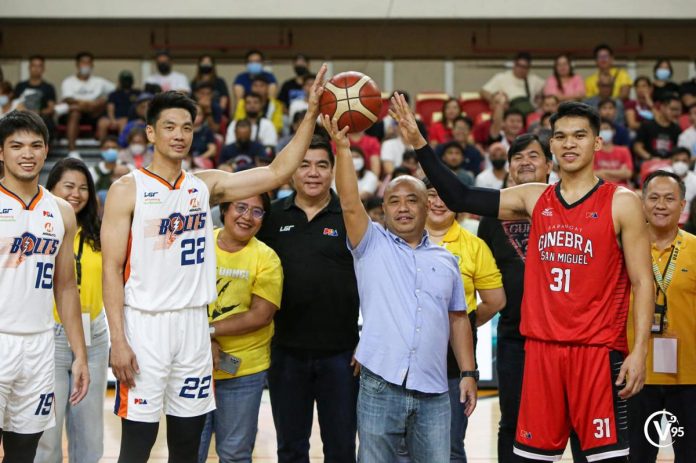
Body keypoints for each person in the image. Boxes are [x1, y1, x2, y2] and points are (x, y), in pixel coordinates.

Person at [394, 95, 654, 462]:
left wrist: (640, 350)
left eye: (579, 136)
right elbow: (460, 195)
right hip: (542, 353)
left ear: (597, 143)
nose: (569, 144)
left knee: (603, 459)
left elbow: (644, 282)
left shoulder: (621, 202)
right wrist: (420, 143)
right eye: (560, 136)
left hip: (597, 354)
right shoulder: (535, 198)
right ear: (551, 145)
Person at [101, 64, 328, 463]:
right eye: (169, 126)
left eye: (187, 127)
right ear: (151, 132)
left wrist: (309, 115)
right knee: (137, 443)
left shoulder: (206, 185)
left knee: (189, 444)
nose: (179, 135)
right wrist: (118, 340)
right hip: (145, 325)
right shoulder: (127, 189)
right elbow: (110, 269)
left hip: (193, 326)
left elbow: (277, 171)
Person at [323, 114, 477, 463]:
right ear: (384, 208)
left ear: (427, 207)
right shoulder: (370, 243)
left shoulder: (447, 259)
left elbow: (458, 319)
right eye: (394, 201)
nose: (403, 207)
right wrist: (343, 149)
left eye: (412, 200)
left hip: (436, 390)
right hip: (379, 385)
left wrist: (468, 373)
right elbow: (348, 202)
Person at [256, 135, 360, 463]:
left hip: (341, 355)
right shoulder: (271, 217)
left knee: (341, 448)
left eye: (321, 165)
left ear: (332, 171)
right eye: (304, 165)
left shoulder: (349, 216)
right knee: (290, 448)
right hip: (286, 353)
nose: (312, 172)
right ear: (291, 173)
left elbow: (374, 282)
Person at [0, 111, 90, 462]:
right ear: (1, 152)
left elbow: (66, 287)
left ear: (46, 150)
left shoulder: (61, 211)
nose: (28, 153)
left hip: (39, 346)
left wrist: (79, 353)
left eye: (36, 145)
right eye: (16, 145)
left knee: (25, 452)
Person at [197, 193, 282, 463]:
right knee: (187, 453)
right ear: (224, 209)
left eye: (257, 212)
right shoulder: (199, 241)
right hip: (191, 366)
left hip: (243, 371)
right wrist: (204, 341)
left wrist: (207, 331)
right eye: (241, 207)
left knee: (235, 454)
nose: (247, 217)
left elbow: (261, 315)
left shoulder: (267, 258)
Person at [424, 179, 505, 462]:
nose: (437, 201)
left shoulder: (474, 246)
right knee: (402, 446)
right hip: (406, 363)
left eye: (444, 194)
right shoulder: (401, 238)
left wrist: (463, 324)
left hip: (454, 364)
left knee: (450, 446)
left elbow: (496, 300)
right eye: (431, 194)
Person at [34, 158, 108, 463]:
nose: (76, 194)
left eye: (83, 188)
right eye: (68, 186)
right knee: (47, 436)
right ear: (51, 188)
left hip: (94, 335)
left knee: (89, 434)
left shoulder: (101, 232)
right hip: (49, 336)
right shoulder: (39, 228)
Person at [627, 171, 696, 462]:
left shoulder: (694, 248)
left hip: (689, 376)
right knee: (637, 456)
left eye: (670, 198)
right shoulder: (623, 248)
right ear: (642, 204)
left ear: (683, 206)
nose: (661, 205)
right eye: (653, 198)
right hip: (635, 375)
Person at [60, 52, 115, 157]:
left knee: (102, 105)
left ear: (92, 65)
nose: (86, 65)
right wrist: (86, 104)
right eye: (83, 62)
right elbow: (68, 99)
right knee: (75, 110)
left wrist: (100, 101)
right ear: (77, 65)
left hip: (94, 113)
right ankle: (72, 151)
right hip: (74, 115)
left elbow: (115, 91)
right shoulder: (68, 81)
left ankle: (104, 152)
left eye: (88, 63)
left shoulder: (99, 82)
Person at [481, 52, 545, 115]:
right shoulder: (502, 77)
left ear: (529, 68)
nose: (521, 69)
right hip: (508, 115)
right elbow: (483, 91)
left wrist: (541, 100)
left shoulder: (534, 79)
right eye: (519, 66)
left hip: (529, 114)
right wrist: (496, 101)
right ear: (514, 64)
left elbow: (547, 88)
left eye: (524, 67)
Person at [13, 55, 56, 137]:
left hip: (41, 117)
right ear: (29, 67)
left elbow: (51, 108)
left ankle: (45, 147)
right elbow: (14, 105)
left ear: (43, 69)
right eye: (34, 66)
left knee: (47, 122)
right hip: (22, 116)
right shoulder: (20, 86)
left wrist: (38, 112)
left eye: (39, 66)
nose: (36, 69)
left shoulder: (48, 87)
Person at [634, 92, 683, 161]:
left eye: (678, 110)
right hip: (649, 162)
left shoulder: (677, 129)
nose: (675, 113)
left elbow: (678, 152)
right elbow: (637, 147)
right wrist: (650, 158)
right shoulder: (647, 125)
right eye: (672, 109)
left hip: (668, 165)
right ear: (662, 107)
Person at [97, 70, 140, 142]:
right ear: (119, 81)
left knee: (123, 122)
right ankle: (103, 145)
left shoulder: (138, 93)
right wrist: (112, 120)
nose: (126, 82)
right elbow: (110, 107)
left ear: (132, 81)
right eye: (124, 80)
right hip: (114, 118)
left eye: (128, 79)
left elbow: (140, 108)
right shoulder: (113, 94)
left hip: (129, 118)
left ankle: (121, 146)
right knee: (102, 122)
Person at [593, 119, 633, 188]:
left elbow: (628, 173)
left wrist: (603, 172)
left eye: (606, 128)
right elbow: (593, 175)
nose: (603, 132)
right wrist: (619, 173)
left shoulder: (624, 150)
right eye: (601, 130)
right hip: (600, 188)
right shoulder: (593, 152)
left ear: (613, 131)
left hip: (622, 189)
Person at [664, 147, 696, 225]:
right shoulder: (661, 177)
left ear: (689, 162)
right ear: (671, 161)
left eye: (684, 161)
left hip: (689, 222)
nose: (680, 164)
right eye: (677, 160)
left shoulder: (695, 180)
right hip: (664, 218)